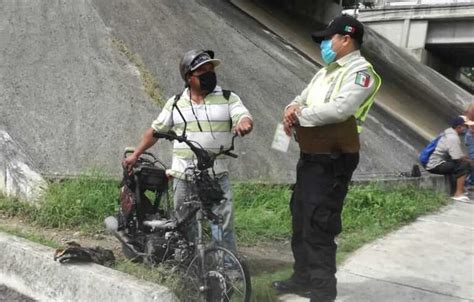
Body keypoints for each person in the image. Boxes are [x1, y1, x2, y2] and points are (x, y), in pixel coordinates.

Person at [272, 14, 382, 302]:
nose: (324, 44)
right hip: (310, 156)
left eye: (327, 38)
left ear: (346, 39)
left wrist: (299, 117)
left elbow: (340, 109)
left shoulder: (362, 72)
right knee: (300, 219)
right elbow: (301, 97)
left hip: (334, 159)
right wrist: (291, 108)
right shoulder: (325, 72)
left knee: (319, 224)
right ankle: (302, 278)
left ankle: (322, 292)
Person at [123, 49, 253, 252]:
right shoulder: (175, 103)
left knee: (221, 223)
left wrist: (244, 123)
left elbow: (243, 116)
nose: (209, 73)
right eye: (202, 71)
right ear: (188, 77)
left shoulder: (228, 98)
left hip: (215, 174)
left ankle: (228, 269)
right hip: (183, 174)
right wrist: (136, 154)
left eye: (211, 69)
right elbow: (155, 131)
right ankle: (192, 263)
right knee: (184, 222)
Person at [426, 116, 472, 202]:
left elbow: (455, 154)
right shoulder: (452, 138)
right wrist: (469, 161)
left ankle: (459, 190)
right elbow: (457, 158)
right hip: (436, 165)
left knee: (464, 163)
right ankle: (458, 194)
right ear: (459, 127)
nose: (466, 129)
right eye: (465, 127)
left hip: (438, 163)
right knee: (465, 165)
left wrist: (465, 158)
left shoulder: (449, 134)